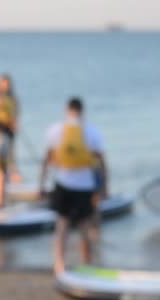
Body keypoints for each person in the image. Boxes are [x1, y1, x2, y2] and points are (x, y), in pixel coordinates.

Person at [39, 97, 108, 274]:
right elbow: (102, 162)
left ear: (66, 110)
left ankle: (59, 265)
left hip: (63, 184)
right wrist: (104, 188)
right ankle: (87, 265)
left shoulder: (56, 130)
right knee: (85, 227)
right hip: (85, 186)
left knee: (62, 226)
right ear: (82, 111)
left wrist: (41, 184)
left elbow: (46, 160)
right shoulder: (91, 132)